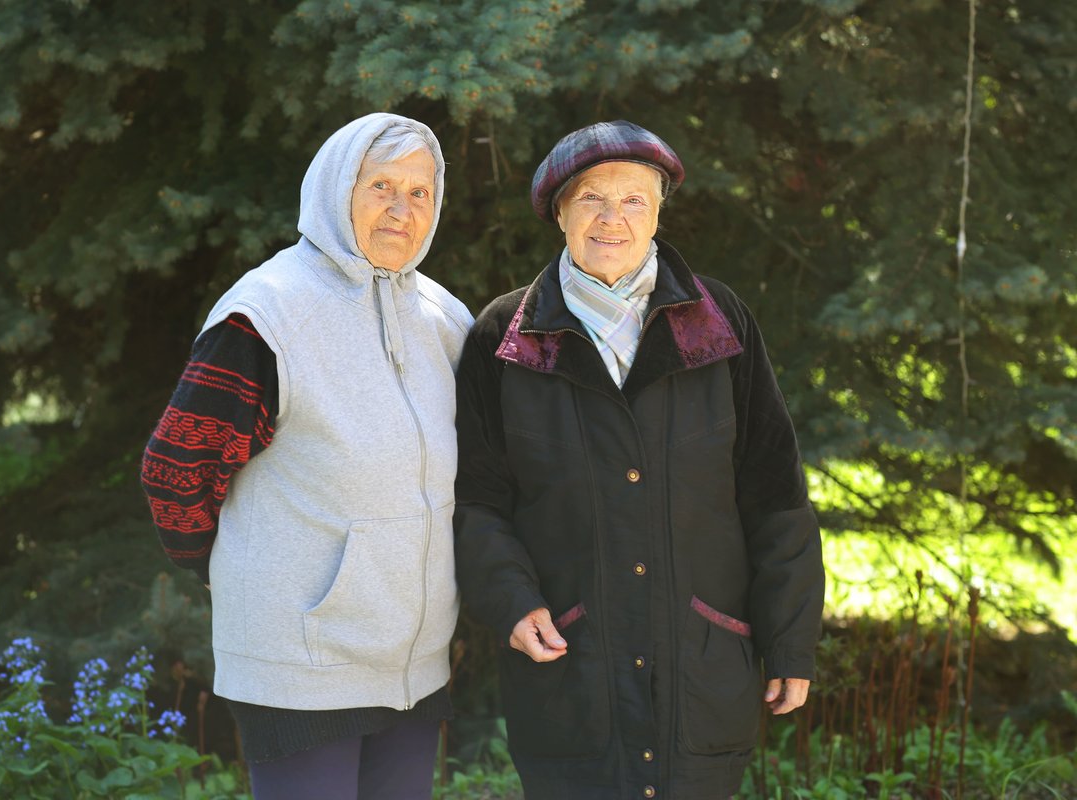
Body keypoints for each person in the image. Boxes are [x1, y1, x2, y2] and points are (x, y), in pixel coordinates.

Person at [453, 120, 824, 799]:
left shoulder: (719, 319)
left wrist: (790, 640)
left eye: (633, 200)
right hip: (570, 671)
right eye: (592, 198)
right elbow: (477, 500)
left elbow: (775, 493)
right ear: (559, 213)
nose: (612, 218)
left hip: (700, 668)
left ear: (657, 212)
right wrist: (511, 600)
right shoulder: (502, 337)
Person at [141, 113, 473, 800]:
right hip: (300, 664)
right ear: (334, 188)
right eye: (381, 186)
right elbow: (175, 472)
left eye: (420, 191)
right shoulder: (268, 315)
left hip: (415, 663)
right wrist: (229, 571)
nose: (402, 208)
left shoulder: (443, 320)